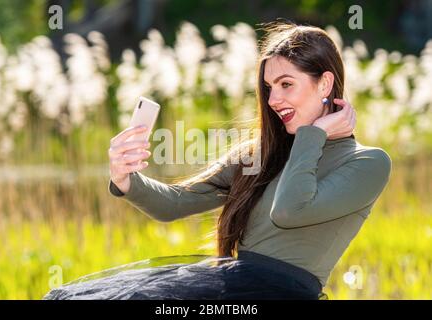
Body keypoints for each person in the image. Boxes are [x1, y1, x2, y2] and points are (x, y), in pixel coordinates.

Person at [44, 21, 391, 300]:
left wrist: (311, 136)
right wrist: (125, 179)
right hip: (231, 284)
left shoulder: (368, 163)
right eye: (269, 87)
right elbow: (175, 204)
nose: (273, 99)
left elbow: (289, 211)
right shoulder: (260, 155)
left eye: (287, 84)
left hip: (282, 292)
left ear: (325, 83)